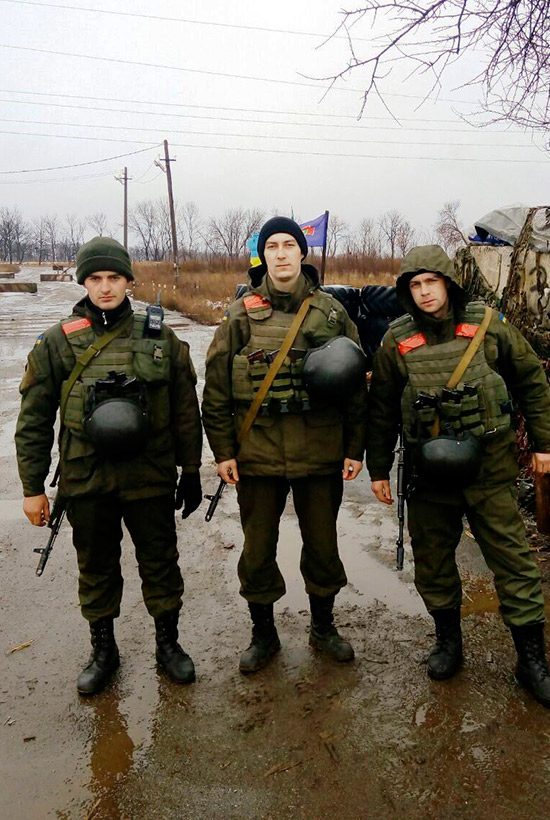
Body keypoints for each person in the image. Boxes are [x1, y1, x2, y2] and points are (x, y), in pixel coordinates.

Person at [15, 236, 203, 695]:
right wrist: (32, 487)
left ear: (128, 281)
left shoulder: (159, 337)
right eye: (95, 278)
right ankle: (103, 651)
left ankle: (168, 645)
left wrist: (192, 469)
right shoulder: (58, 342)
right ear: (84, 282)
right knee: (96, 566)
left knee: (160, 562)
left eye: (114, 277)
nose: (105, 287)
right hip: (87, 478)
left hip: (149, 475)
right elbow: (34, 418)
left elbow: (185, 408)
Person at [366, 244, 550, 707]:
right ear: (407, 291)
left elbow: (531, 379)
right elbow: (382, 408)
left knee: (513, 562)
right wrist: (378, 468)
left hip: (489, 471)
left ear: (448, 282)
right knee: (433, 562)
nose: (425, 292)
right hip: (428, 478)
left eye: (432, 281)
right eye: (415, 285)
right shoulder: (396, 340)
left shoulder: (488, 325)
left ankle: (532, 660)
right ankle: (448, 641)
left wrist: (544, 444)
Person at [202, 216, 367, 673]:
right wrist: (223, 452)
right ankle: (263, 635)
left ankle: (323, 627)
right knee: (257, 550)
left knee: (323, 546)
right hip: (257, 452)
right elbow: (216, 387)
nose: (280, 254)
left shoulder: (331, 313)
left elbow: (356, 387)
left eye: (288, 245)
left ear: (301, 253)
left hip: (319, 450)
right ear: (263, 256)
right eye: (271, 246)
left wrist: (354, 449)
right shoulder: (240, 314)